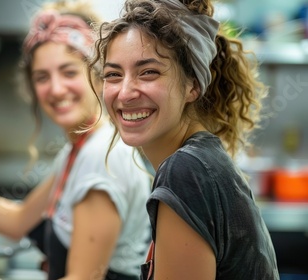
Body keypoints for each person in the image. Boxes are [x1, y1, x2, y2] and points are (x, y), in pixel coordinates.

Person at [0, 1, 153, 279]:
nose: (56, 89)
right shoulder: (78, 150)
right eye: (42, 77)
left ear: (97, 73)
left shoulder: (102, 158)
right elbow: (19, 220)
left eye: (69, 72)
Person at [90, 0, 280, 279]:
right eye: (113, 75)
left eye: (148, 72)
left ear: (192, 85)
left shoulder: (186, 171)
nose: (125, 92)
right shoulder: (203, 159)